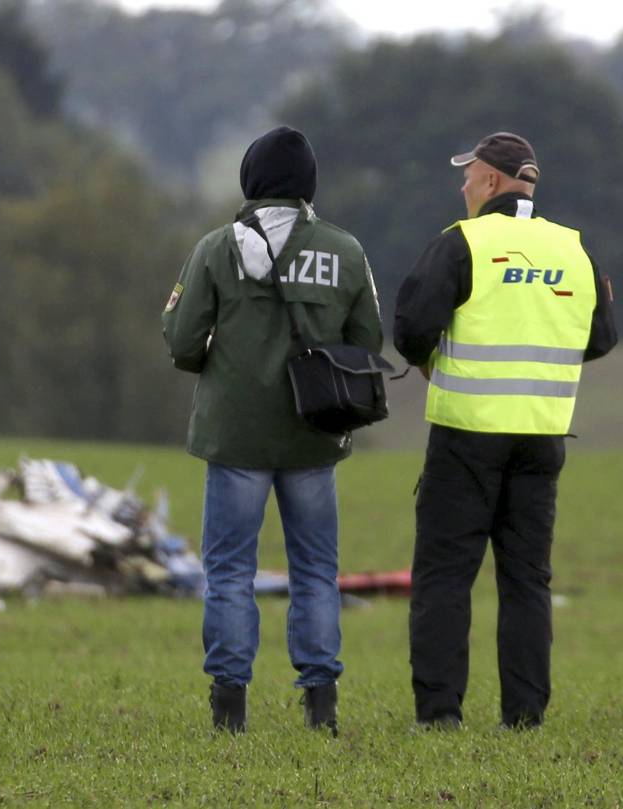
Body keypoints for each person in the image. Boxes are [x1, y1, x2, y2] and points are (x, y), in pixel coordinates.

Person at [161, 126, 384, 735]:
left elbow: (181, 342)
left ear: (249, 180)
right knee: (316, 571)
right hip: (314, 436)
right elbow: (368, 345)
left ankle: (229, 707)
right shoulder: (345, 251)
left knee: (229, 570)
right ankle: (321, 706)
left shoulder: (214, 249)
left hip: (234, 437)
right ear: (309, 183)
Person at [394, 132, 617, 729]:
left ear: (491, 181)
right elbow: (601, 338)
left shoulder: (463, 243)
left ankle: (440, 713)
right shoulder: (574, 249)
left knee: (446, 575)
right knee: (527, 580)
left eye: (468, 175)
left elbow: (411, 326)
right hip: (541, 440)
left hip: (466, 435)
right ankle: (524, 717)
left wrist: (432, 361)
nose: (462, 185)